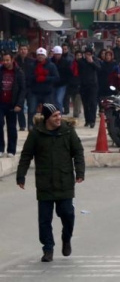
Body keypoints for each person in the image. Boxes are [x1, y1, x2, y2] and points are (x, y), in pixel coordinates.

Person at [16, 103, 85, 262]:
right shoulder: (36, 134)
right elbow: (26, 155)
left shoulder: (68, 131)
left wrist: (80, 172)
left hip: (65, 181)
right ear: (47, 118)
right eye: (55, 116)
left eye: (59, 115)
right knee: (44, 220)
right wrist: (21, 176)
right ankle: (48, 248)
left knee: (67, 214)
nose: (59, 118)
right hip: (45, 182)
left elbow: (78, 153)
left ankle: (66, 238)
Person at [0, 52, 26, 158]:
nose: (5, 62)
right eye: (4, 60)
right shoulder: (0, 71)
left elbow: (23, 89)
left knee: (11, 127)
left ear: (12, 60)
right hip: (1, 103)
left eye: (7, 60)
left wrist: (19, 104)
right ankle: (0, 148)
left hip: (12, 104)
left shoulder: (19, 72)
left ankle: (11, 149)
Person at [27, 48, 59, 128]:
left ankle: (47, 125)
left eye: (42, 55)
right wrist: (36, 77)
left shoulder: (51, 65)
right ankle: (31, 126)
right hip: (35, 92)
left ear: (45, 56)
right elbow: (28, 77)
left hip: (47, 92)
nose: (40, 56)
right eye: (39, 55)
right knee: (31, 110)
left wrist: (46, 78)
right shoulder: (32, 65)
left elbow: (56, 78)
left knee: (48, 111)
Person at [77, 47, 100, 128]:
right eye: (86, 54)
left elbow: (99, 68)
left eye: (89, 54)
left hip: (93, 85)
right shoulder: (81, 62)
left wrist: (92, 62)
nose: (88, 56)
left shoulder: (95, 60)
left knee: (92, 103)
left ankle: (92, 120)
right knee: (85, 104)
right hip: (84, 85)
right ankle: (87, 120)